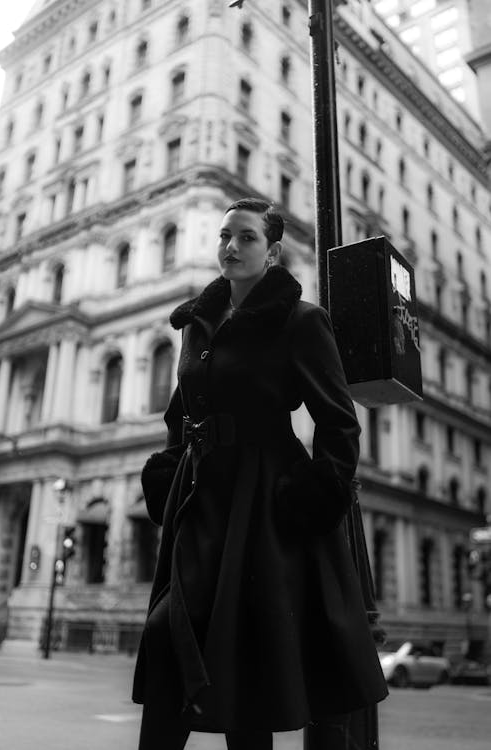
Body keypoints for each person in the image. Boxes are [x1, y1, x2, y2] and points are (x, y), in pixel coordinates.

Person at [132, 198, 388, 750]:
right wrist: (167, 469)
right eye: (225, 235)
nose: (231, 246)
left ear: (271, 251)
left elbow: (338, 423)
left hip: (263, 500)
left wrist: (315, 494)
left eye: (246, 237)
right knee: (167, 635)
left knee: (244, 663)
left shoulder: (301, 321)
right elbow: (181, 412)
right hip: (199, 499)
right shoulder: (197, 325)